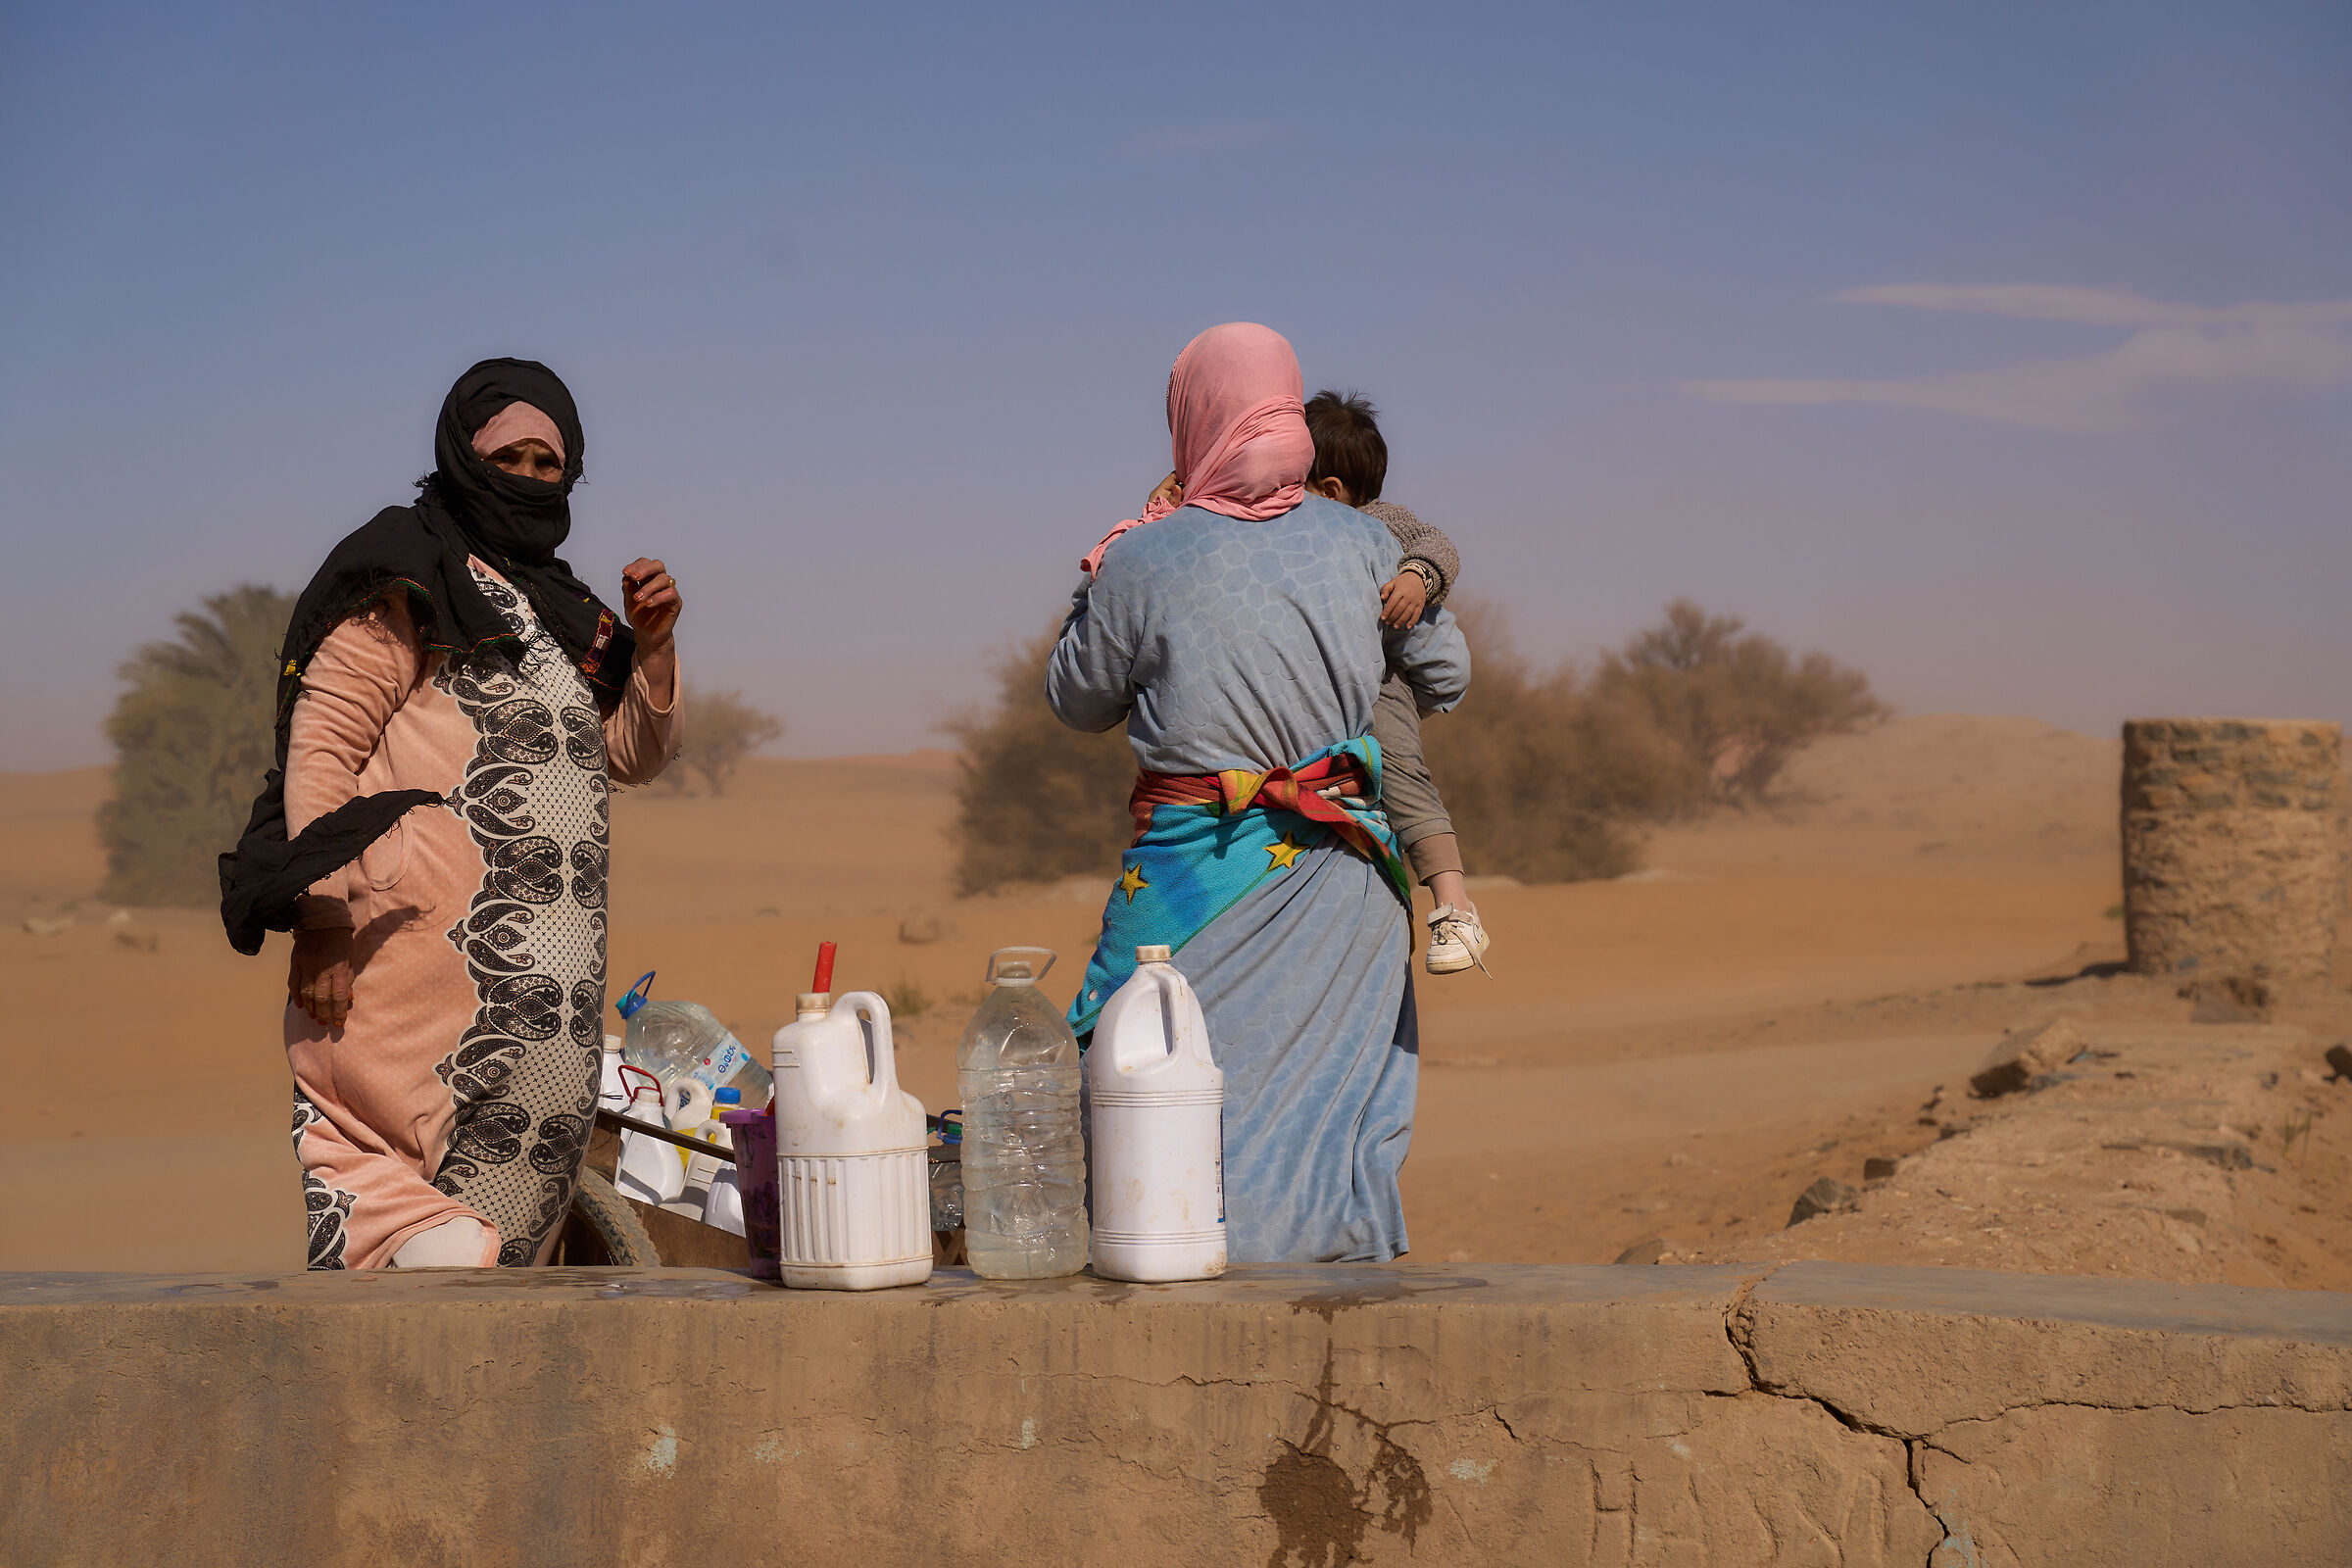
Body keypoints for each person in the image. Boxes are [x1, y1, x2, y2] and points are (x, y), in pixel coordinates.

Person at [219, 359, 683, 1270]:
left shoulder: (561, 616)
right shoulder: (406, 577)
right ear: (465, 462)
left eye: (550, 466)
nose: (530, 479)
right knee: (424, 1279)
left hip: (544, 1048)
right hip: (400, 1008)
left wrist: (655, 652)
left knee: (501, 1331)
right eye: (509, 458)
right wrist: (318, 913)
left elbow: (629, 752)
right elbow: (322, 750)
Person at [1051, 322, 1469, 1263]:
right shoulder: (1365, 543)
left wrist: (1116, 567)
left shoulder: (1142, 556)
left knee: (1137, 1095)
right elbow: (1447, 667)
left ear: (1192, 420)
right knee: (1326, 1134)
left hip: (1191, 872)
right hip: (1349, 876)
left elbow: (1076, 700)